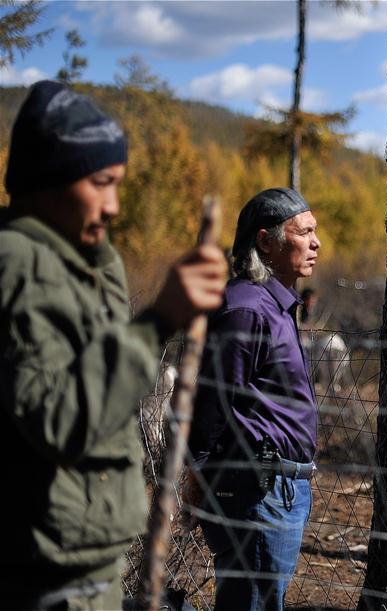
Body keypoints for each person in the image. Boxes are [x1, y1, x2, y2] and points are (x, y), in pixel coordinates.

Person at [0, 80, 229, 609]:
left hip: (89, 557)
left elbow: (109, 396)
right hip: (46, 571)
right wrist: (158, 322)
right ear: (48, 179)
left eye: (119, 185)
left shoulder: (82, 260)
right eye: (101, 183)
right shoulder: (18, 265)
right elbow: (58, 417)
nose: (113, 206)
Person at [188, 187, 320, 611]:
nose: (316, 242)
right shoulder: (246, 308)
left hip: (280, 491)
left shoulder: (275, 304)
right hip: (258, 495)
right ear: (266, 242)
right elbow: (211, 405)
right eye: (304, 232)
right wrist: (199, 481)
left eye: (315, 231)